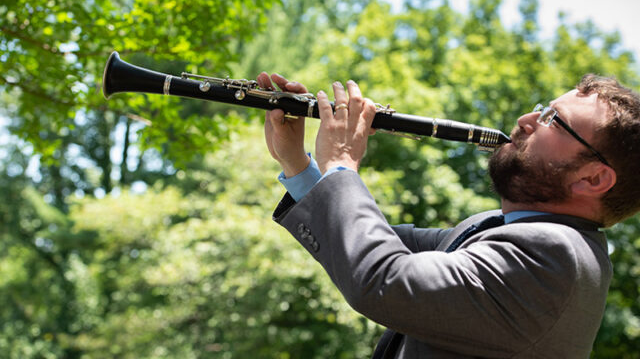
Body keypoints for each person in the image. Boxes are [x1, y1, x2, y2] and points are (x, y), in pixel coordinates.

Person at [257, 71, 640, 358]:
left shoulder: (553, 254)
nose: (526, 119)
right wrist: (297, 163)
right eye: (542, 110)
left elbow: (382, 278)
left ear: (594, 178)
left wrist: (341, 161)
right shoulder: (498, 228)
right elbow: (361, 242)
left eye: (553, 120)